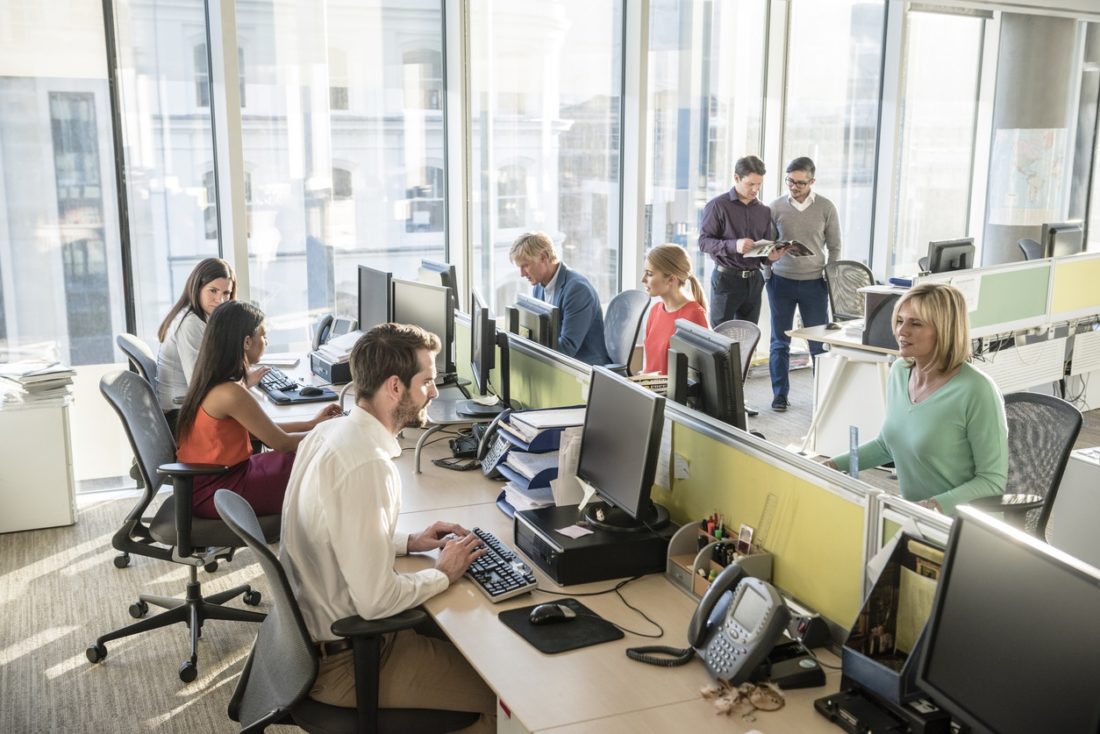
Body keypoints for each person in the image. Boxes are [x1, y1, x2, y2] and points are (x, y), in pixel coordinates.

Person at [279, 323, 496, 731]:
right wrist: (441, 573)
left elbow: (330, 532)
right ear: (395, 387)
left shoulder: (328, 433)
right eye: (427, 381)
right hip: (347, 663)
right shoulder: (368, 465)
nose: (434, 391)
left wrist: (409, 542)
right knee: (502, 698)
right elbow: (375, 603)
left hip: (308, 646)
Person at [827, 283, 1007, 515]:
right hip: (917, 515)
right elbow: (887, 445)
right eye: (900, 320)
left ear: (945, 329)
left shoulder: (977, 390)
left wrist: (932, 507)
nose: (902, 331)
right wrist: (832, 465)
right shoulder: (900, 372)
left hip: (963, 525)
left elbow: (992, 482)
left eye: (916, 323)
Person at [175, 301, 341, 519]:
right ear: (246, 342)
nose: (266, 342)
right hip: (220, 491)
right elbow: (280, 442)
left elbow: (260, 430)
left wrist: (311, 424)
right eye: (263, 336)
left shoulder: (213, 381)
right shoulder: (230, 392)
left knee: (305, 458)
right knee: (321, 463)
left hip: (214, 480)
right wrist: (332, 435)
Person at [766, 157, 842, 412]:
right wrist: (768, 274)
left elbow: (834, 246)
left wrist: (830, 278)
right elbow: (766, 245)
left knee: (818, 343)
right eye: (790, 181)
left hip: (814, 284)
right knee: (779, 341)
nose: (794, 186)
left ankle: (822, 395)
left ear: (812, 181)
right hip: (781, 282)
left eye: (800, 182)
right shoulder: (775, 206)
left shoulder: (826, 207)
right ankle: (779, 396)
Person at [155, 257, 268, 427]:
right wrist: (243, 383)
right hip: (179, 416)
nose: (220, 300)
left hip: (186, 409)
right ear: (197, 288)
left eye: (226, 293)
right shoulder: (190, 323)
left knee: (260, 419)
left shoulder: (204, 317)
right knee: (259, 424)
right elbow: (198, 384)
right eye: (213, 291)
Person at [698, 155, 784, 327]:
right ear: (736, 178)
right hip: (726, 280)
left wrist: (771, 258)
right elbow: (703, 242)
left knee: (748, 337)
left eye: (759, 184)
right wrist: (733, 245)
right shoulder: (717, 206)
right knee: (721, 339)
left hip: (754, 281)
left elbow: (763, 252)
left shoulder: (764, 211)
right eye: (750, 184)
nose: (755, 189)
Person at [510, 232, 611, 365]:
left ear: (544, 257)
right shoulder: (539, 286)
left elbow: (566, 349)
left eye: (526, 265)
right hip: (559, 364)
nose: (522, 274)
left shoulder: (577, 290)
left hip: (585, 369)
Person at [641, 244, 709, 374]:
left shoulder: (694, 315)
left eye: (649, 274)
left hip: (671, 394)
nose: (643, 279)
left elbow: (701, 377)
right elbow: (649, 367)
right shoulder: (655, 311)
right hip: (650, 390)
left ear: (671, 279)